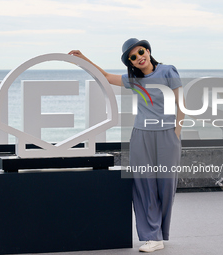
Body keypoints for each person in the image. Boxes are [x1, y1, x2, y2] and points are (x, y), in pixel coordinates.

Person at [69, 38, 184, 253]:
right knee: (144, 185)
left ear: (148, 51)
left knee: (166, 185)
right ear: (130, 63)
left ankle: (160, 232)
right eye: (133, 57)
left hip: (167, 135)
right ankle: (152, 236)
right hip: (141, 135)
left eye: (141, 52)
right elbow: (104, 77)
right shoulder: (133, 80)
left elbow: (181, 104)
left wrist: (176, 133)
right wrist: (83, 60)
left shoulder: (168, 71)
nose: (139, 57)